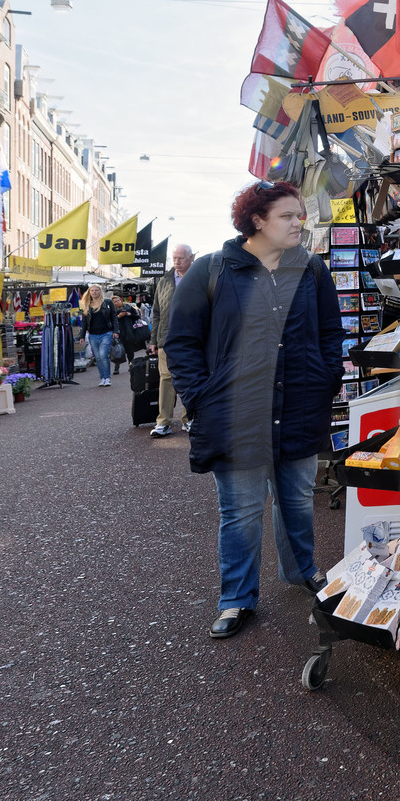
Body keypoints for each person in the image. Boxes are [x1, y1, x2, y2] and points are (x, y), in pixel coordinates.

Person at [163, 181, 345, 639]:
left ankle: (302, 570)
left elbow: (330, 333)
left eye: (300, 215)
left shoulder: (312, 270)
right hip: (235, 415)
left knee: (298, 500)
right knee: (241, 510)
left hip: (300, 405)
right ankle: (237, 597)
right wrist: (202, 397)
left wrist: (326, 378)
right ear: (257, 220)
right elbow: (181, 343)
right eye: (288, 216)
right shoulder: (212, 269)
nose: (298, 223)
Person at [147, 244, 195, 437]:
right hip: (166, 339)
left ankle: (188, 418)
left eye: (181, 258)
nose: (176, 262)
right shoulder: (165, 281)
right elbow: (156, 312)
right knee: (166, 380)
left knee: (191, 378)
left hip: (193, 339)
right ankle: (163, 421)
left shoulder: (200, 277)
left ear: (191, 257)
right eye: (174, 258)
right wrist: (153, 340)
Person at [77, 284, 116, 386]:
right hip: (93, 335)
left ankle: (107, 378)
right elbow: (84, 322)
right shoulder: (87, 304)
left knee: (103, 355)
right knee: (98, 357)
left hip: (106, 333)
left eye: (96, 290)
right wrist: (81, 336)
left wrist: (116, 331)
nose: (94, 292)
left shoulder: (107, 302)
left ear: (100, 291)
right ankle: (102, 378)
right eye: (92, 291)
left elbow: (114, 317)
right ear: (89, 292)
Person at [111, 295, 140, 375]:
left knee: (130, 350)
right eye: (115, 301)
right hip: (118, 333)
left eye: (118, 300)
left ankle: (131, 365)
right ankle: (116, 367)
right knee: (118, 350)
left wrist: (129, 314)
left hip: (129, 332)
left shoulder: (129, 307)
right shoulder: (112, 310)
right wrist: (118, 316)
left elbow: (137, 317)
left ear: (121, 300)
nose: (117, 302)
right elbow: (110, 321)